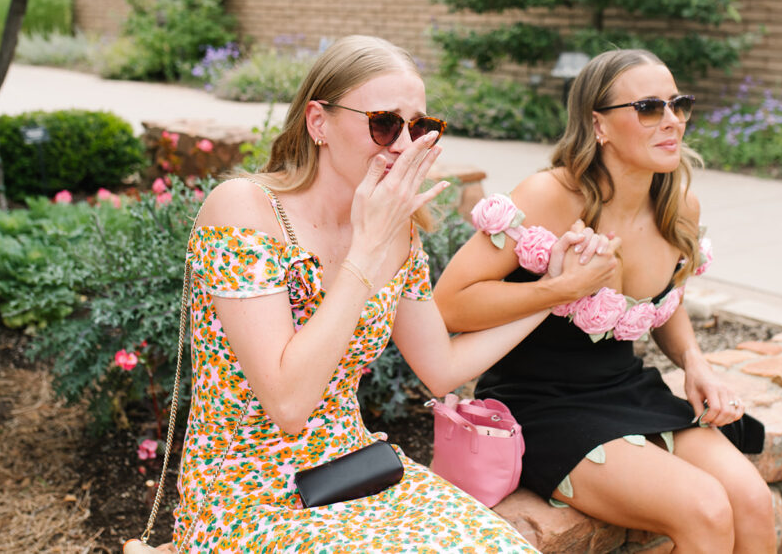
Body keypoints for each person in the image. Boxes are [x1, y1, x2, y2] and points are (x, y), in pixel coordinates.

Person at [172, 35, 545, 552]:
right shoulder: (245, 210)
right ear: (318, 122)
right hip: (245, 494)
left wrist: (556, 293)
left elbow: (441, 368)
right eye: (384, 123)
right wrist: (366, 249)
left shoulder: (396, 229)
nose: (404, 144)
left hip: (355, 470)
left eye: (420, 127)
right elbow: (288, 404)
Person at [434, 49, 777, 553]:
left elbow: (668, 298)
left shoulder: (678, 204)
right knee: (705, 508)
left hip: (626, 388)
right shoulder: (549, 196)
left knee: (753, 501)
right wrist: (561, 289)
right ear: (599, 125)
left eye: (679, 104)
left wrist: (694, 362)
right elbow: (449, 303)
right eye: (649, 108)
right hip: (541, 403)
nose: (672, 121)